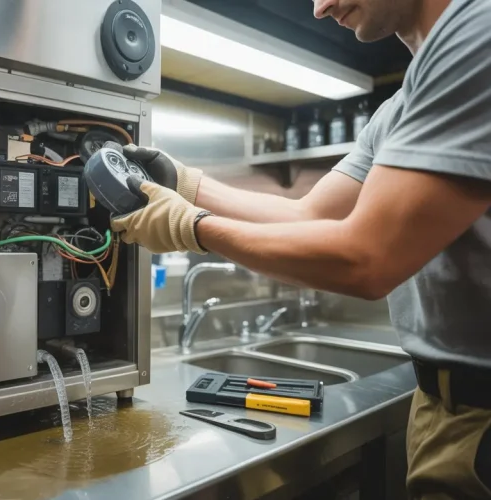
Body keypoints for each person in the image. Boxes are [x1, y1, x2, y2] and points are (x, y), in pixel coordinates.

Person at [111, 0, 491, 497]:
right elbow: (309, 216)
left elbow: (366, 258)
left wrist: (193, 229)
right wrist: (186, 183)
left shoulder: (479, 33)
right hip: (441, 403)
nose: (319, 8)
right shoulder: (400, 107)